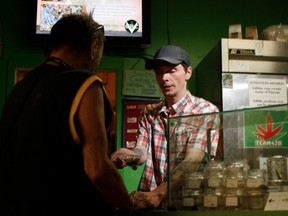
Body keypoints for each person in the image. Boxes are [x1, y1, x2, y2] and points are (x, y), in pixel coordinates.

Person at [0, 13, 149, 215]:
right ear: (94, 46)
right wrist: (128, 205)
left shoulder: (21, 86)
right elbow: (97, 171)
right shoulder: (85, 83)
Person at [111, 45, 220, 208]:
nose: (164, 78)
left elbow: (193, 160)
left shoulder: (205, 111)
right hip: (148, 205)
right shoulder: (149, 112)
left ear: (188, 72)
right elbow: (142, 151)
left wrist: (157, 194)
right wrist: (129, 155)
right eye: (159, 72)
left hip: (186, 206)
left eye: (172, 70)